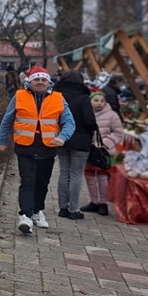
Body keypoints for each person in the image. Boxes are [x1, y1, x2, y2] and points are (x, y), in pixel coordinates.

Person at [0, 66, 75, 235]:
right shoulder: (19, 96)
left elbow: (69, 122)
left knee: (42, 182)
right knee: (28, 181)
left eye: (43, 79)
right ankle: (25, 216)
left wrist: (63, 137)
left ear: (49, 82)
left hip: (48, 148)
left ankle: (37, 210)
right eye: (36, 79)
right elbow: (7, 120)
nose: (40, 82)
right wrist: (2, 141)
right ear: (29, 82)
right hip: (25, 148)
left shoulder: (58, 98)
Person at [53, 70, 98, 220]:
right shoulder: (84, 97)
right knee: (76, 174)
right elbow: (89, 121)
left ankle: (63, 208)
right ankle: (73, 209)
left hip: (61, 138)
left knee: (64, 173)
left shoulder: (56, 96)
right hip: (81, 140)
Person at [81, 90, 125, 215]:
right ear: (90, 101)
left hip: (103, 151)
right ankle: (94, 201)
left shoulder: (112, 115)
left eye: (102, 101)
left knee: (102, 176)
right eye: (96, 100)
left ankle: (103, 203)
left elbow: (118, 133)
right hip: (89, 149)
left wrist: (104, 143)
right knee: (89, 175)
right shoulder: (86, 113)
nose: (99, 103)